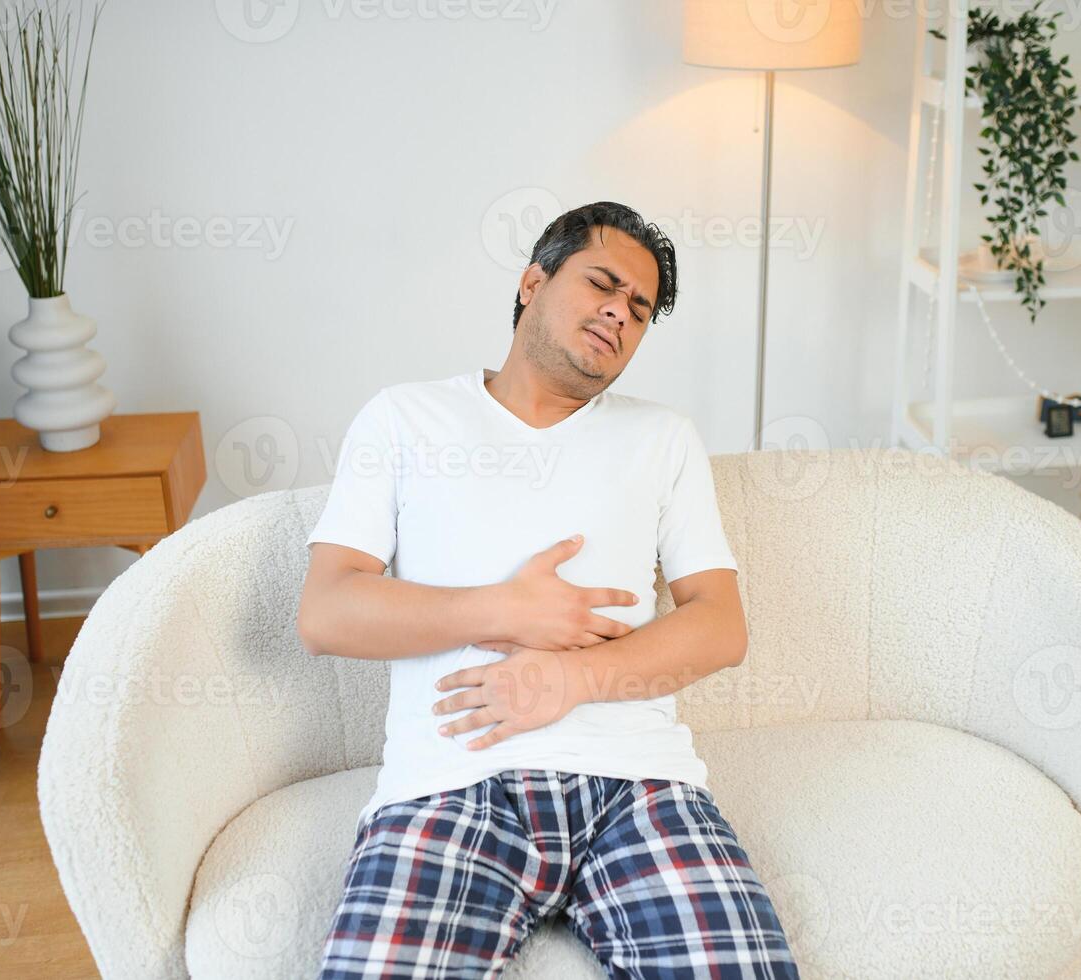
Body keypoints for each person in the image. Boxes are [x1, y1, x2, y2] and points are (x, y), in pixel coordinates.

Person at [297, 201, 799, 978]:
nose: (618, 314)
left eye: (638, 310)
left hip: (637, 786)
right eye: (603, 284)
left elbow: (719, 625)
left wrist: (568, 677)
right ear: (533, 281)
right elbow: (326, 611)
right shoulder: (403, 418)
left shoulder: (661, 437)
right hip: (450, 788)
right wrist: (503, 608)